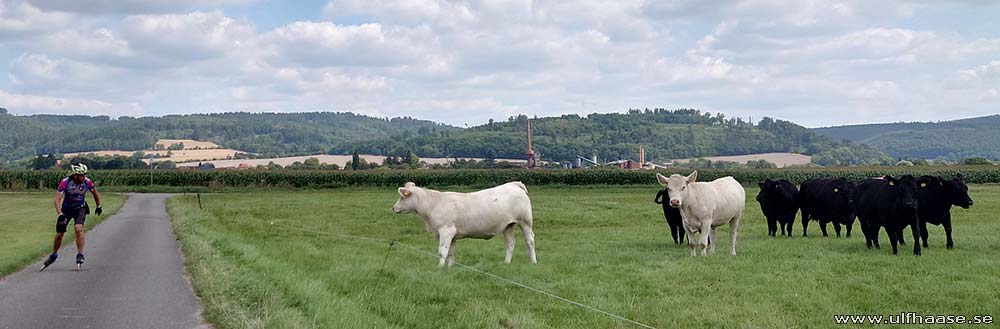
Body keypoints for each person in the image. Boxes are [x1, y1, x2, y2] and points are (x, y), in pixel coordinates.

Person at [41, 163, 102, 271]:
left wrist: (98, 205)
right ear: (75, 175)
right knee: (60, 234)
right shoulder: (66, 182)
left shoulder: (87, 182)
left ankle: (80, 254)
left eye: (84, 175)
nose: (83, 177)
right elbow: (57, 200)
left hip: (80, 208)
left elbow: (95, 192)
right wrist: (60, 214)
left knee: (78, 228)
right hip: (66, 209)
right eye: (81, 175)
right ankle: (54, 255)